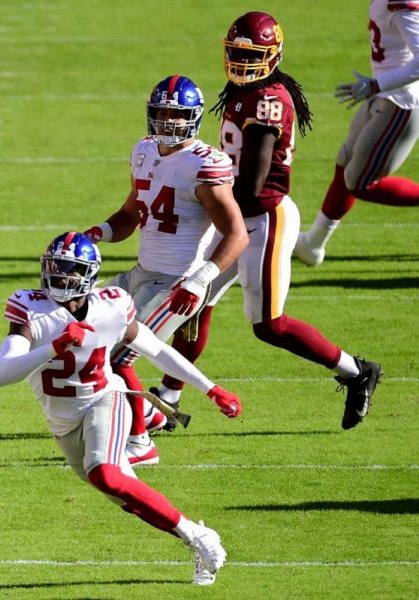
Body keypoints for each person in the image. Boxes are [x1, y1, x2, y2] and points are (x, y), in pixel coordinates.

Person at [153, 12, 383, 430]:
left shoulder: (267, 100)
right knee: (193, 298)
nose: (241, 62)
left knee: (269, 326)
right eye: (237, 52)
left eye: (251, 54)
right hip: (234, 215)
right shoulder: (242, 89)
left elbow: (253, 183)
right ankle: (168, 398)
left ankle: (356, 370)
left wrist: (203, 200)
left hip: (262, 218)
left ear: (272, 55)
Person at [0, 231, 241, 586]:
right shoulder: (32, 309)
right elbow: (2, 374)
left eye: (69, 269)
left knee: (106, 474)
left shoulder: (112, 305)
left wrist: (210, 388)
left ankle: (201, 539)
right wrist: (54, 348)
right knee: (126, 495)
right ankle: (198, 538)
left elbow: (155, 349)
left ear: (88, 275)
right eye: (54, 267)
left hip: (105, 400)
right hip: (63, 423)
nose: (58, 276)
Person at [83, 75, 247, 465]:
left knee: (119, 357)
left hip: (177, 281)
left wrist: (201, 278)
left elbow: (237, 233)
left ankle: (141, 445)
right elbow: (129, 215)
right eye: (161, 112)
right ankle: (152, 413)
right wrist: (98, 233)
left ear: (192, 117)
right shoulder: (143, 150)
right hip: (142, 271)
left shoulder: (206, 164)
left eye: (176, 114)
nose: (168, 121)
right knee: (89, 332)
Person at [295, 0, 419, 266]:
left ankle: (313, 244)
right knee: (345, 160)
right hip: (386, 94)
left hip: (401, 102)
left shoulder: (402, 5)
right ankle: (313, 243)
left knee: (359, 181)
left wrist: (377, 84)